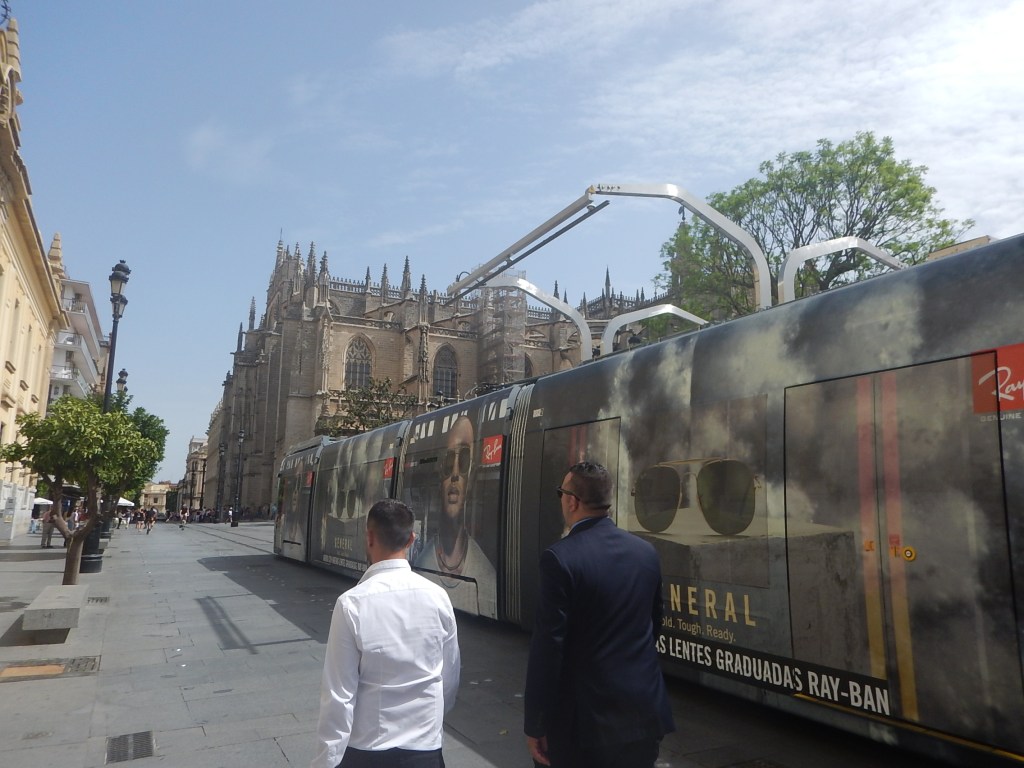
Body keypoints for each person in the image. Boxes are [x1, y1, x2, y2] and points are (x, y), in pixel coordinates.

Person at [524, 461, 674, 768]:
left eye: (560, 493)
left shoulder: (559, 559)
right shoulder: (645, 552)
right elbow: (653, 624)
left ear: (572, 501)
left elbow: (548, 649)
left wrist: (535, 723)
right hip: (642, 714)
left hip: (584, 725)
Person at [312, 499, 461, 768]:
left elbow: (339, 697)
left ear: (369, 537)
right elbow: (448, 678)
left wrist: (326, 763)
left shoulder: (351, 604)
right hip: (425, 751)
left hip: (368, 751)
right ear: (412, 539)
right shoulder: (439, 597)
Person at [414, 415, 497, 617]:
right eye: (449, 461)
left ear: (472, 479)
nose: (455, 474)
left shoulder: (487, 579)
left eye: (464, 461)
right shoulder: (418, 566)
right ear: (439, 475)